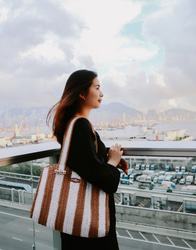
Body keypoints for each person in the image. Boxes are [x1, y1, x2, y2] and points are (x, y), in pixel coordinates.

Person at [47, 69, 128, 250]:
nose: (102, 94)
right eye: (97, 88)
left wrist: (107, 155)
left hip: (76, 220)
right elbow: (104, 180)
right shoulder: (80, 126)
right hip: (90, 225)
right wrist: (112, 162)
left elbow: (84, 162)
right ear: (82, 93)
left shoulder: (73, 124)